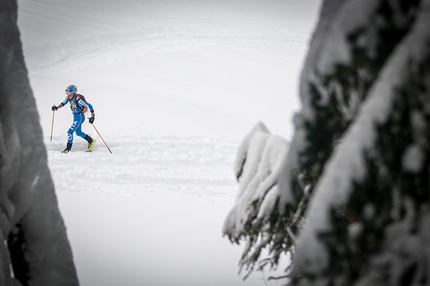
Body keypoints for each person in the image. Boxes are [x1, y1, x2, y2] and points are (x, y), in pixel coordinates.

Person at [52, 84, 96, 153]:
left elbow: (89, 105)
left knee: (70, 132)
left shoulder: (79, 100)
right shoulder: (68, 98)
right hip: (75, 116)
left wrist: (93, 116)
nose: (67, 95)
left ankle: (68, 148)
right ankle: (91, 140)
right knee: (78, 132)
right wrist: (57, 107)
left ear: (73, 92)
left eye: (69, 93)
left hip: (80, 117)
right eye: (66, 93)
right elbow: (63, 103)